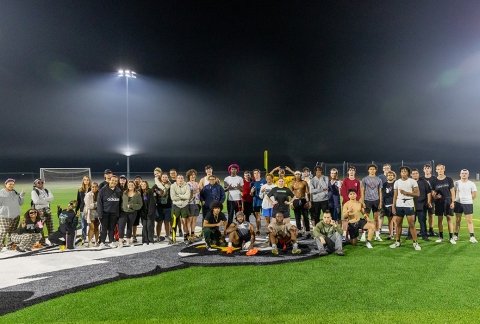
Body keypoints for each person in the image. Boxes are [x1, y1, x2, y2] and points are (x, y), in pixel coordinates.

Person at [389, 166, 421, 251]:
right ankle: (397, 242)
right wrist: (393, 206)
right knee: (398, 224)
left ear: (408, 173)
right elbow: (395, 196)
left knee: (412, 224)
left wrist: (406, 193)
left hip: (409, 204)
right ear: (400, 173)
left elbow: (417, 194)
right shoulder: (397, 182)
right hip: (399, 205)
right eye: (402, 171)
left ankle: (415, 243)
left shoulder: (412, 181)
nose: (403, 172)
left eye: (405, 171)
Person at [430, 164, 456, 244]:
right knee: (440, 220)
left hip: (448, 201)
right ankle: (440, 237)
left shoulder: (449, 179)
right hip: (439, 202)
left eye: (441, 169)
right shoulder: (434, 180)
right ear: (436, 170)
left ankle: (451, 238)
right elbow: (433, 192)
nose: (440, 170)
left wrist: (453, 202)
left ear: (444, 169)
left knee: (449, 219)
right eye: (438, 169)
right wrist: (435, 196)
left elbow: (452, 191)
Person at [97, 175, 122, 248]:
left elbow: (120, 203)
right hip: (104, 213)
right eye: (112, 180)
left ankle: (111, 242)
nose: (114, 182)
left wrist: (118, 213)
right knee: (104, 229)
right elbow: (99, 203)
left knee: (112, 228)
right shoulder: (102, 190)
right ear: (109, 180)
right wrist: (100, 214)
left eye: (115, 181)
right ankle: (102, 242)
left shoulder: (118, 191)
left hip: (114, 213)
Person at [0, 178, 25, 252]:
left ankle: (10, 245)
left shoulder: (15, 192)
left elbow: (20, 203)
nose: (11, 185)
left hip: (15, 216)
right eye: (10, 184)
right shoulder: (1, 192)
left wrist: (22, 196)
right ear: (6, 184)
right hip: (5, 216)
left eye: (13, 184)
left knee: (12, 232)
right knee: (2, 232)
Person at [360, 164, 383, 241]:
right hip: (367, 200)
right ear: (368, 170)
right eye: (371, 169)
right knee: (366, 218)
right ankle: (363, 235)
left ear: (376, 170)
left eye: (373, 169)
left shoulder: (379, 180)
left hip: (376, 201)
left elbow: (380, 192)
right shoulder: (364, 179)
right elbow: (362, 191)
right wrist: (363, 201)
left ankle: (377, 235)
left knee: (376, 219)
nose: (372, 170)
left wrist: (380, 202)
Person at [453, 169, 477, 243]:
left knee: (469, 221)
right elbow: (453, 192)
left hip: (468, 203)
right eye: (462, 173)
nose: (464, 174)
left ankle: (472, 236)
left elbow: (474, 194)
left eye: (465, 173)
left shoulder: (471, 183)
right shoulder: (456, 183)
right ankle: (456, 235)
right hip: (458, 203)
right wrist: (454, 201)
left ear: (468, 175)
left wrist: (468, 200)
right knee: (457, 220)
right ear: (460, 174)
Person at [118, 180, 142, 247]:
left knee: (129, 227)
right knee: (121, 227)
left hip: (132, 213)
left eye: (132, 185)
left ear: (134, 186)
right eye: (129, 185)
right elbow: (121, 202)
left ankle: (128, 240)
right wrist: (121, 208)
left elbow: (140, 204)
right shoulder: (124, 193)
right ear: (127, 186)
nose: (130, 186)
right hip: (123, 212)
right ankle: (120, 241)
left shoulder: (137, 194)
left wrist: (132, 206)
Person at [31, 178, 54, 244]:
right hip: (39, 211)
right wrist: (47, 200)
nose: (41, 184)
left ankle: (53, 241)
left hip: (47, 209)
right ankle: (42, 242)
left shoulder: (46, 190)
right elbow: (36, 201)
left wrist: (43, 200)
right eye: (39, 182)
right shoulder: (34, 191)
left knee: (51, 226)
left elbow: (52, 198)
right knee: (40, 227)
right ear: (35, 184)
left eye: (42, 182)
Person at [411, 168, 432, 241]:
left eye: (416, 173)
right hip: (411, 205)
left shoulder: (424, 182)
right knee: (411, 221)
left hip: (422, 205)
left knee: (422, 221)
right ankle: (410, 235)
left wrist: (429, 202)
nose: (415, 175)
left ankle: (424, 235)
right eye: (413, 174)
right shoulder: (409, 182)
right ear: (411, 175)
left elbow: (429, 192)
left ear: (418, 174)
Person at [170, 174, 191, 243]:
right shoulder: (173, 186)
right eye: (178, 178)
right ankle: (173, 238)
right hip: (176, 206)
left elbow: (187, 196)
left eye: (181, 178)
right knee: (174, 223)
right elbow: (173, 197)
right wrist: (183, 197)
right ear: (176, 179)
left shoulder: (187, 186)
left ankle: (186, 237)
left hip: (184, 206)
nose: (180, 179)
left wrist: (178, 196)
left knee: (185, 223)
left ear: (183, 179)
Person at [290, 170, 311, 238]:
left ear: (300, 175)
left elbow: (308, 193)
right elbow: (290, 194)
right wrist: (291, 203)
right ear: (294, 175)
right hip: (296, 200)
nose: (297, 175)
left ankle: (308, 232)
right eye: (296, 174)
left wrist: (308, 201)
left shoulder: (304, 182)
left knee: (305, 217)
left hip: (303, 200)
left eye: (299, 174)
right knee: (297, 217)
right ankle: (299, 231)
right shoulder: (292, 183)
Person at [152, 172, 172, 242]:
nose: (164, 178)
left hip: (168, 206)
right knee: (159, 222)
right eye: (163, 177)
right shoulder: (156, 185)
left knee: (167, 222)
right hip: (159, 207)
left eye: (166, 177)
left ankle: (167, 236)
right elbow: (152, 193)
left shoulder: (170, 186)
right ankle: (158, 236)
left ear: (168, 178)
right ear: (161, 178)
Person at [139, 180, 156, 245]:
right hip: (143, 213)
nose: (143, 186)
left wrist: (150, 213)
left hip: (150, 213)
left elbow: (152, 203)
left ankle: (151, 240)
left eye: (144, 184)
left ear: (147, 185)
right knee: (144, 226)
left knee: (149, 226)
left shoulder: (150, 191)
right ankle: (145, 241)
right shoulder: (139, 192)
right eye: (142, 185)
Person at [422, 164, 437, 237]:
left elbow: (437, 188)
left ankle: (431, 229)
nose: (427, 169)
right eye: (425, 168)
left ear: (430, 170)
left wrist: (435, 192)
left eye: (428, 168)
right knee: (423, 216)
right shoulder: (421, 178)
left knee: (431, 215)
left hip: (432, 200)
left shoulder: (434, 178)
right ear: (423, 170)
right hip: (423, 200)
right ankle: (423, 230)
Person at [76, 175, 91, 245]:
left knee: (91, 225)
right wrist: (76, 210)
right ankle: (84, 238)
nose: (86, 181)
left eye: (87, 180)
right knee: (83, 225)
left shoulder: (92, 189)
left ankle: (90, 238)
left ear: (89, 181)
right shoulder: (80, 190)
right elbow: (78, 201)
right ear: (83, 181)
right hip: (82, 209)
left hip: (91, 209)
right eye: (85, 180)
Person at [84, 182, 100, 247]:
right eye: (93, 187)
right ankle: (89, 242)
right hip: (90, 213)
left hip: (98, 213)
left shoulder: (100, 193)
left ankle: (96, 241)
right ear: (91, 187)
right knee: (91, 228)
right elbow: (88, 206)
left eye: (96, 187)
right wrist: (96, 204)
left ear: (98, 187)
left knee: (97, 228)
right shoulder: (88, 194)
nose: (94, 188)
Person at [186, 169, 201, 242]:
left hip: (197, 203)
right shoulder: (187, 184)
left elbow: (199, 193)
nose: (193, 176)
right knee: (190, 219)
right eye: (191, 175)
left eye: (194, 175)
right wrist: (194, 192)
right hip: (190, 203)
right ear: (189, 176)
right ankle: (188, 234)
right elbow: (188, 194)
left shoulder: (197, 183)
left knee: (195, 219)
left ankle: (193, 233)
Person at [382, 170, 396, 240]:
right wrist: (383, 204)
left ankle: (396, 234)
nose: (390, 176)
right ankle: (391, 234)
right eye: (388, 175)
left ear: (394, 176)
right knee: (390, 220)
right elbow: (383, 195)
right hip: (387, 204)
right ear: (387, 176)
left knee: (395, 220)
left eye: (391, 175)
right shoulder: (384, 184)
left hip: (395, 204)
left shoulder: (396, 183)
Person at [251, 169, 266, 235]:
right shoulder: (252, 183)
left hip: (264, 201)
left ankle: (268, 229)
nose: (256, 175)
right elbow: (251, 194)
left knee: (266, 216)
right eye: (255, 173)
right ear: (253, 175)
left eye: (257, 173)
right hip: (256, 201)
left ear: (260, 174)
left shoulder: (264, 181)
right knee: (257, 217)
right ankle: (258, 229)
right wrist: (251, 192)